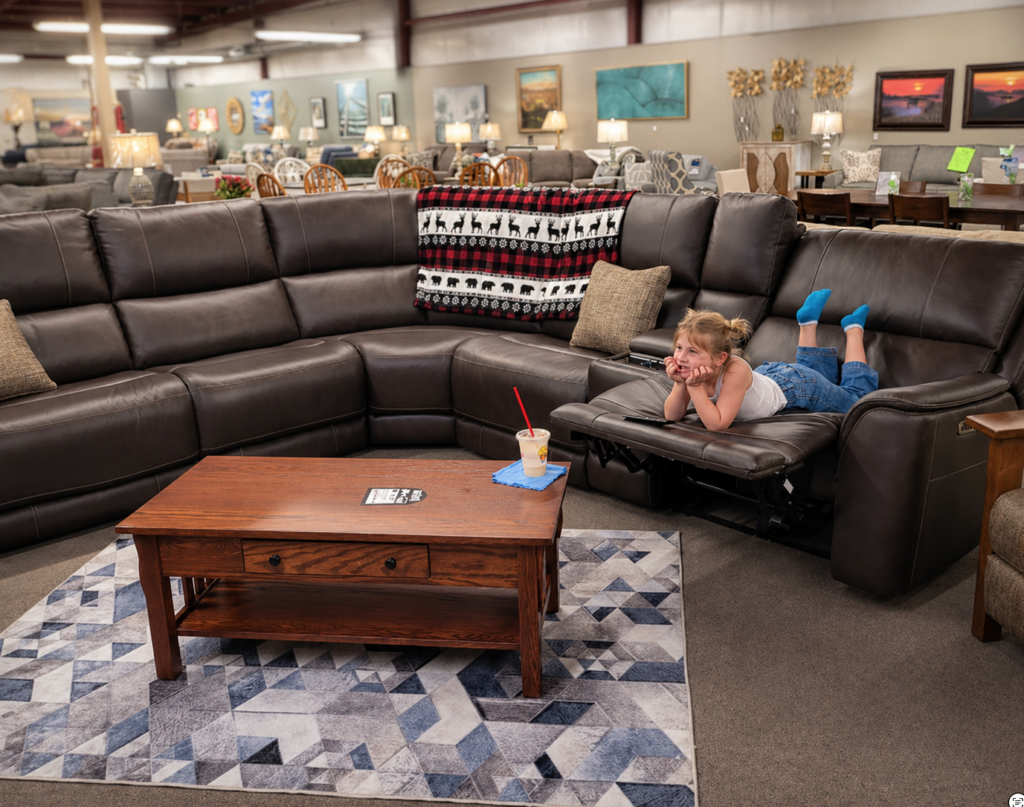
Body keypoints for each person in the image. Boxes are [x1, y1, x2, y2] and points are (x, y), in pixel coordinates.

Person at [663, 289, 878, 431]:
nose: (680, 357)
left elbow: (717, 424)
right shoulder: (695, 374)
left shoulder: (734, 370)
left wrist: (696, 388)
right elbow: (672, 416)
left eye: (692, 352)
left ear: (720, 358)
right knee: (820, 378)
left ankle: (854, 330)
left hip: (796, 385)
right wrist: (680, 384)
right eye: (679, 348)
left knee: (857, 400)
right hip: (773, 377)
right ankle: (807, 324)